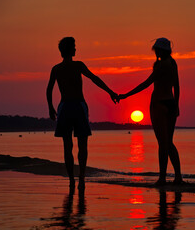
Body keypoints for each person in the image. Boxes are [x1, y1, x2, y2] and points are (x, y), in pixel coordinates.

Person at [46, 37, 118, 190]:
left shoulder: (56, 68)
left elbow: (49, 89)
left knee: (68, 146)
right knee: (82, 145)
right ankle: (81, 178)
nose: (76, 49)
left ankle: (73, 179)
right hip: (77, 106)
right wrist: (110, 92)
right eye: (74, 47)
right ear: (69, 50)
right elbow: (94, 79)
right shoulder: (77, 65)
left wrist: (51, 107)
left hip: (64, 107)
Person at [118, 38, 183, 185]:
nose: (156, 52)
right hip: (171, 103)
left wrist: (125, 95)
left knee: (163, 143)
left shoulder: (161, 65)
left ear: (162, 51)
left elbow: (146, 83)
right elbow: (177, 86)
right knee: (169, 143)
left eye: (158, 50)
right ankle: (178, 176)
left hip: (159, 104)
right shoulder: (173, 64)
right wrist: (177, 105)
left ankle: (162, 178)